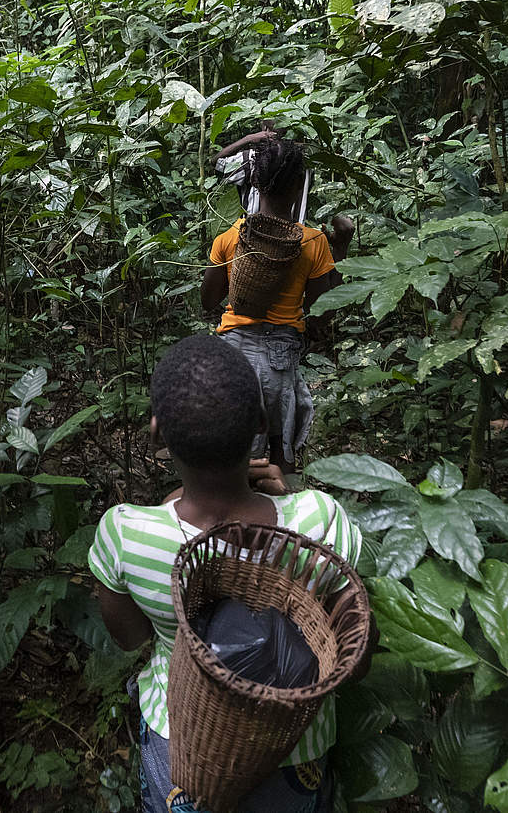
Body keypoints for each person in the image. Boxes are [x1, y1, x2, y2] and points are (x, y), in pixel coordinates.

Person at [88, 334, 364, 813]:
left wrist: (167, 505)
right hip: (293, 747)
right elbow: (351, 638)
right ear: (259, 425)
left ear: (157, 433)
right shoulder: (319, 520)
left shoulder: (125, 534)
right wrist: (285, 494)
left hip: (183, 740)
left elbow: (129, 638)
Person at [201, 137, 354, 474]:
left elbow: (208, 300)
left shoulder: (230, 238)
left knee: (238, 452)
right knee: (280, 452)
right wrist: (340, 247)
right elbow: (322, 313)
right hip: (279, 356)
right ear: (300, 184)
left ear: (254, 181)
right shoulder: (312, 242)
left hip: (233, 349)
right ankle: (282, 515)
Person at [214, 121, 312, 224]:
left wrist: (248, 139)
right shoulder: (302, 161)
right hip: (296, 234)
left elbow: (216, 163)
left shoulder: (253, 158)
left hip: (253, 232)